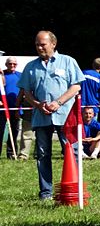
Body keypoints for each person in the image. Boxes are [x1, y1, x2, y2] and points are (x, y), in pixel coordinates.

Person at [17, 31, 85, 200]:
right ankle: (46, 192)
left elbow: (76, 87)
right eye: (37, 44)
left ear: (53, 44)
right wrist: (37, 104)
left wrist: (58, 102)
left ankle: (73, 190)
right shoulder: (31, 67)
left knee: (71, 151)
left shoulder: (68, 61)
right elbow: (26, 91)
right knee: (42, 154)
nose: (39, 47)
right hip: (41, 117)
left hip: (65, 116)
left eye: (43, 44)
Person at [1, 57, 22, 159]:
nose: (12, 66)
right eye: (10, 64)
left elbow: (23, 92)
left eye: (14, 64)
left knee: (14, 131)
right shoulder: (1, 75)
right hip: (2, 108)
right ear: (6, 64)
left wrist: (19, 108)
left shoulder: (20, 76)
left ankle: (11, 153)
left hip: (15, 108)